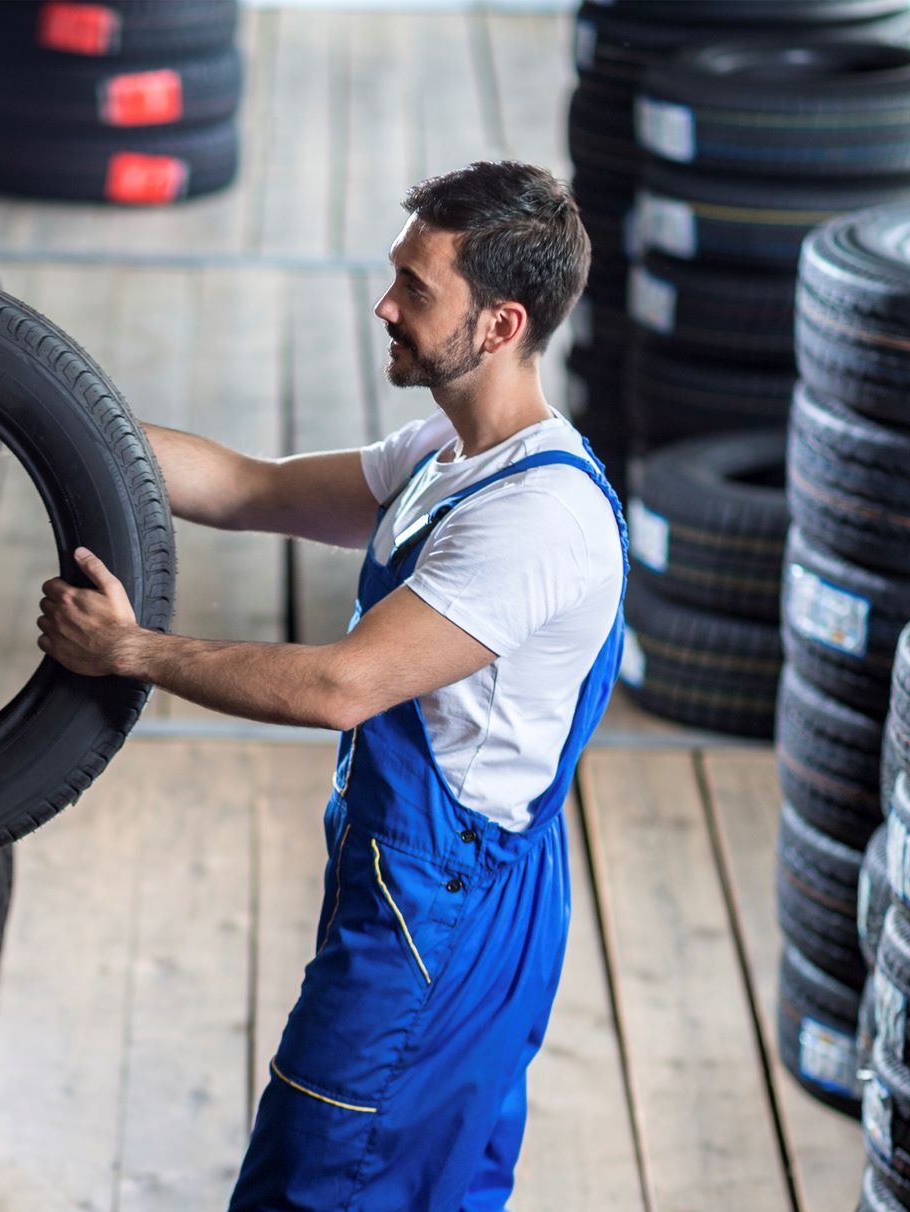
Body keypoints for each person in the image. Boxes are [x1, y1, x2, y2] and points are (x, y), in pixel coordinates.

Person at [35, 160, 622, 1212]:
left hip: (444, 913)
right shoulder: (448, 452)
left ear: (500, 326)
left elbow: (340, 688)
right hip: (430, 885)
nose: (385, 306)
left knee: (318, 1183)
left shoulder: (534, 519)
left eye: (416, 289)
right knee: (431, 1189)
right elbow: (248, 488)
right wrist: (40, 412)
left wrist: (132, 651)